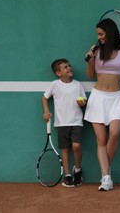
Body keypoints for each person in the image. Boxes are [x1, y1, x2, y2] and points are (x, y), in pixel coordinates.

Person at [84, 18, 120, 191]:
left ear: (110, 33)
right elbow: (90, 75)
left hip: (116, 97)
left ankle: (105, 171)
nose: (99, 37)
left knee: (115, 134)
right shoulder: (96, 50)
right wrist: (89, 59)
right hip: (98, 98)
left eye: (101, 34)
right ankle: (107, 178)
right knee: (101, 140)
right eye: (98, 35)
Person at [42, 58, 87, 187]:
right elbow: (44, 97)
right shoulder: (55, 84)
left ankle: (77, 170)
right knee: (65, 149)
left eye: (69, 66)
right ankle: (67, 176)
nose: (69, 68)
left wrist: (82, 103)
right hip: (61, 123)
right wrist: (46, 111)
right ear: (58, 73)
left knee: (76, 146)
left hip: (77, 121)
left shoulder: (78, 85)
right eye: (65, 67)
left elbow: (84, 101)